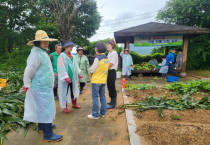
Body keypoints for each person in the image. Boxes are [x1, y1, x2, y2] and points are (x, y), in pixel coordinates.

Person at [22, 30, 63, 142]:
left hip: (43, 87)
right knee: (45, 109)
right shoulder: (35, 54)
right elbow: (29, 70)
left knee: (42, 109)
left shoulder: (41, 52)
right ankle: (48, 134)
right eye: (43, 41)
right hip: (40, 88)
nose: (46, 43)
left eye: (47, 41)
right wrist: (27, 84)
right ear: (37, 42)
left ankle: (42, 127)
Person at [57, 41, 82, 113]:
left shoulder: (72, 56)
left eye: (72, 46)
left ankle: (74, 104)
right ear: (65, 47)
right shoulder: (62, 56)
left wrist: (78, 73)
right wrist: (65, 77)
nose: (71, 48)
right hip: (66, 79)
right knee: (64, 92)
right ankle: (64, 107)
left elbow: (75, 65)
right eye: (69, 46)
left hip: (73, 78)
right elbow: (61, 67)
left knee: (73, 91)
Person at [87, 42, 109, 119]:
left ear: (97, 49)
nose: (95, 48)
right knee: (102, 96)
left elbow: (92, 70)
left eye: (96, 47)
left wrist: (90, 69)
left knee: (95, 97)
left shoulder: (97, 59)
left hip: (96, 81)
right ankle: (103, 113)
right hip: (103, 80)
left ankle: (95, 114)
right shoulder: (106, 58)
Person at [106, 39, 118, 109]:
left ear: (112, 45)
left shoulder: (114, 53)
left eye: (108, 44)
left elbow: (110, 64)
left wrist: (103, 69)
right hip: (109, 72)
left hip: (111, 71)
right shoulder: (110, 53)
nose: (107, 46)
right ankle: (112, 101)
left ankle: (113, 103)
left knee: (111, 87)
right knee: (110, 87)